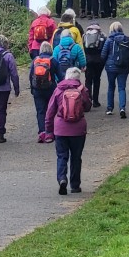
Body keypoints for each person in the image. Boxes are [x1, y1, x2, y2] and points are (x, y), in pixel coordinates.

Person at [45, 67, 92, 195]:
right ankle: (75, 185)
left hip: (60, 129)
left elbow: (50, 112)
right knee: (76, 157)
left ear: (66, 76)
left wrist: (48, 130)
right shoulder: (82, 90)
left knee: (62, 156)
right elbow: (88, 107)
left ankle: (62, 179)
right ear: (78, 78)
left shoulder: (58, 89)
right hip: (78, 130)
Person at [29, 41, 60, 143]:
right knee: (51, 110)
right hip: (51, 89)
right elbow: (60, 76)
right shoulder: (53, 60)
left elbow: (31, 76)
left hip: (37, 90)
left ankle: (42, 133)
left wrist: (32, 88)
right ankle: (50, 133)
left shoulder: (35, 60)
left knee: (40, 111)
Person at [102, 22, 129, 118]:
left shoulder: (109, 40)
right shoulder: (125, 40)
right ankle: (122, 108)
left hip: (111, 68)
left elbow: (103, 55)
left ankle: (109, 108)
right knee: (122, 88)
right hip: (123, 67)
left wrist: (107, 62)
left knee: (111, 87)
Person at [82, 23, 106, 108]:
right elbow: (104, 49)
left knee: (88, 80)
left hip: (88, 60)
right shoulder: (102, 35)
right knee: (97, 80)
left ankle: (88, 100)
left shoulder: (85, 35)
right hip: (98, 61)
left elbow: (84, 48)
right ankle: (96, 101)